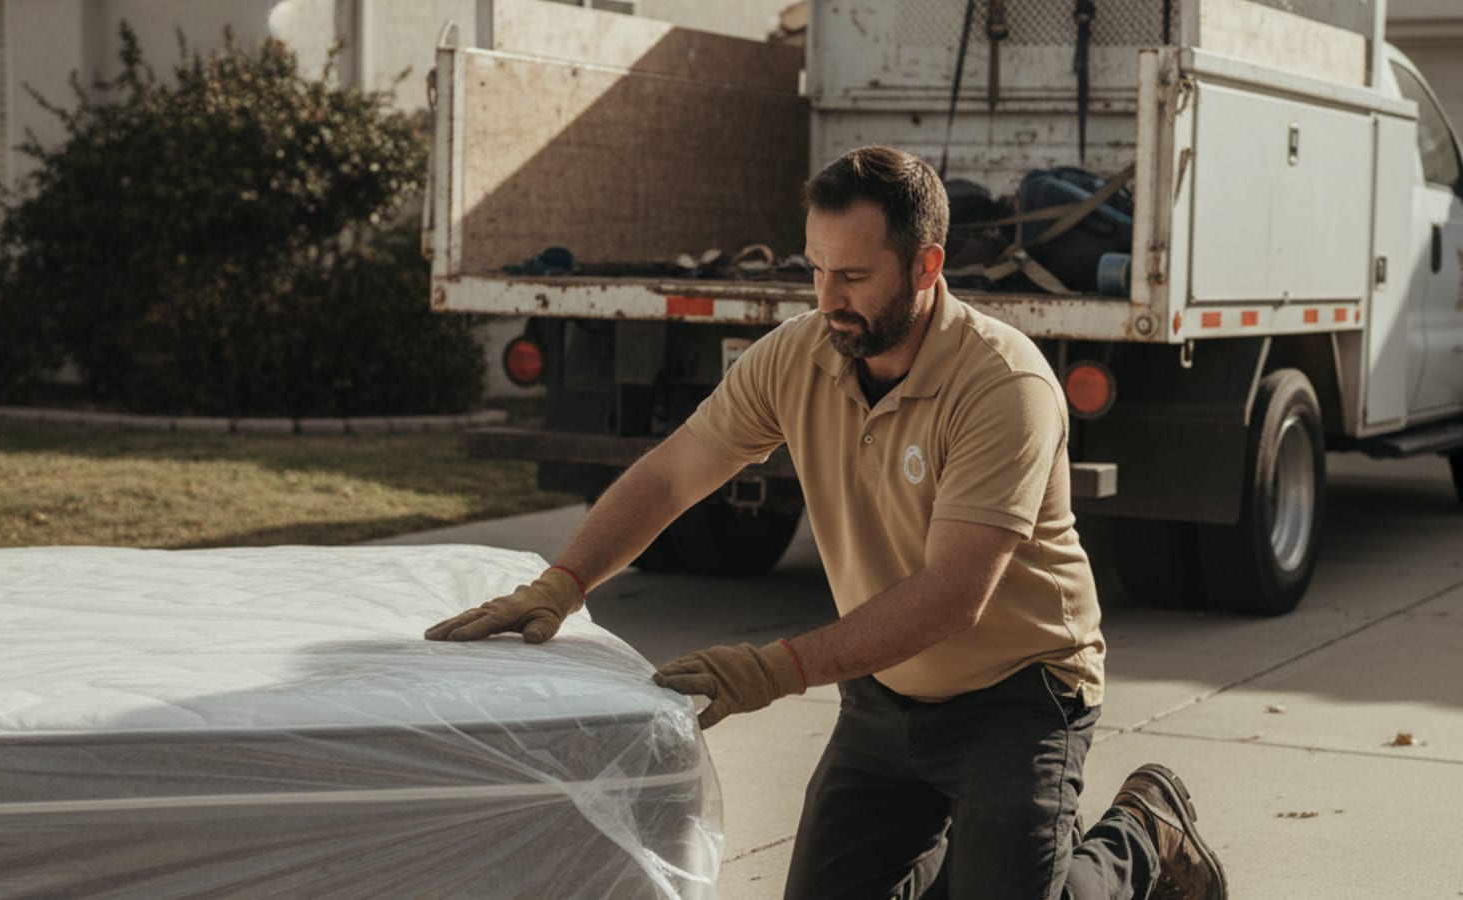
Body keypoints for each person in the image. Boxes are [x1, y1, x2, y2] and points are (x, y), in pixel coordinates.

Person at [426, 145, 1227, 900]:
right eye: (815, 270)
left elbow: (954, 594)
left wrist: (774, 669)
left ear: (926, 266)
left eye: (853, 275)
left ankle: (1144, 830)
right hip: (885, 693)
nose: (828, 299)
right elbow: (673, 474)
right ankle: (984, 855)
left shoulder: (1002, 384)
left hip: (1016, 697)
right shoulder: (798, 354)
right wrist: (564, 582)